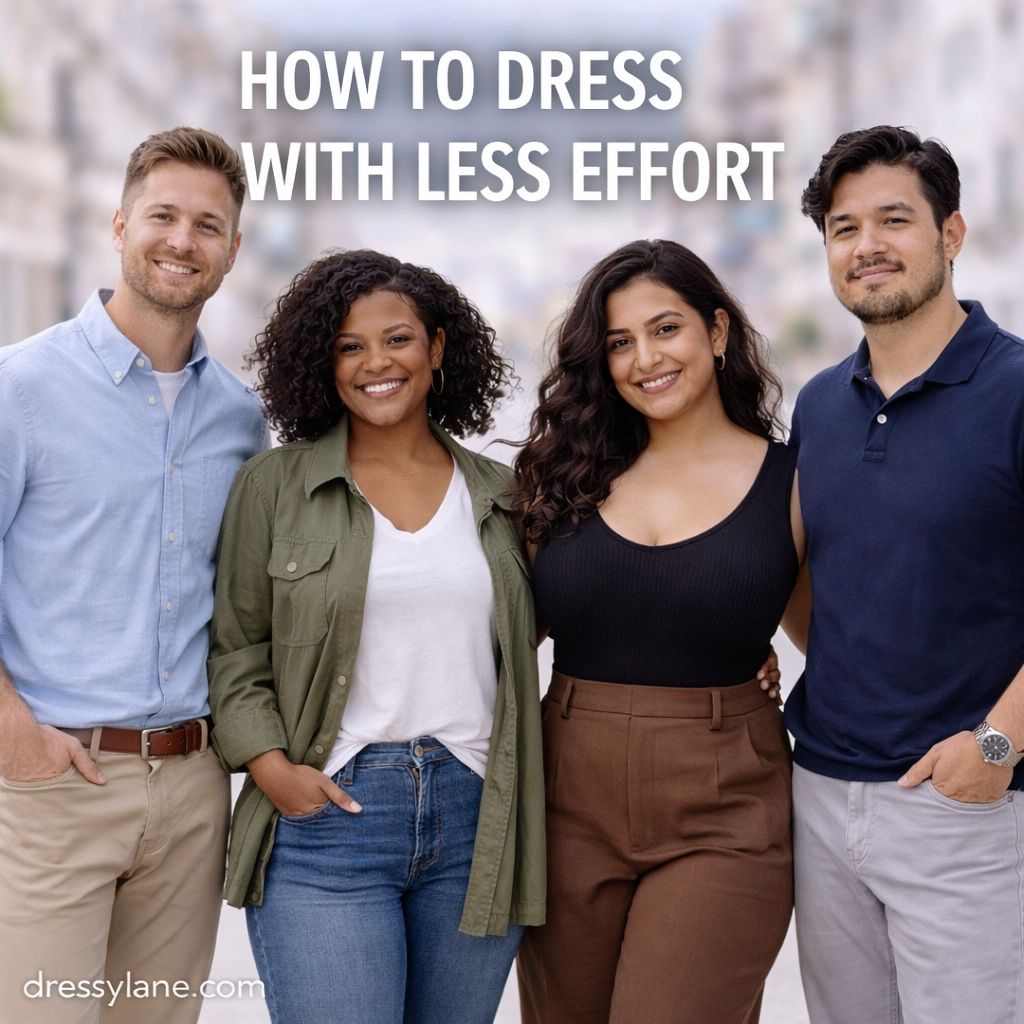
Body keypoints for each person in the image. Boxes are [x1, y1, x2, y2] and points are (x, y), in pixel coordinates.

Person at [207, 249, 545, 1024]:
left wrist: (739, 653)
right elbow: (236, 648)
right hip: (329, 819)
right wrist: (271, 768)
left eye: (396, 339)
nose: (374, 364)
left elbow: (570, 615)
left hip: (476, 818)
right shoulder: (275, 487)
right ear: (322, 365)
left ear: (438, 348)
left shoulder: (503, 495)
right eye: (348, 347)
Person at [0, 127, 267, 1024]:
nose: (182, 241)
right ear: (119, 225)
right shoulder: (20, 389)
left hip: (192, 791)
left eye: (208, 224)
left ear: (232, 249)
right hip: (54, 782)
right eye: (163, 215)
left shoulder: (239, 419)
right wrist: (13, 732)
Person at [513, 239, 804, 1024]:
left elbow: (832, 641)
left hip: (725, 805)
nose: (645, 358)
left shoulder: (792, 484)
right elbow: (509, 634)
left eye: (665, 329)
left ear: (716, 332)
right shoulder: (561, 478)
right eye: (619, 342)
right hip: (566, 792)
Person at [786, 125, 1024, 1024]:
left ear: (951, 235)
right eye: (844, 229)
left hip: (963, 804)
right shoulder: (819, 404)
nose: (867, 246)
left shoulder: (1014, 389)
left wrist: (996, 747)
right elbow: (821, 582)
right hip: (822, 793)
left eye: (894, 220)